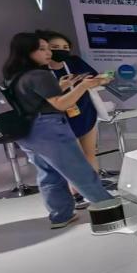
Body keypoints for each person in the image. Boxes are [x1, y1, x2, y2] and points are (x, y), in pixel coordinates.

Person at [2, 33, 112, 228]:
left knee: (49, 174)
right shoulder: (40, 75)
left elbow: (36, 101)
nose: (49, 53)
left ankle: (61, 215)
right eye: (42, 49)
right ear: (27, 51)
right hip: (49, 129)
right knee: (79, 171)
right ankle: (110, 210)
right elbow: (61, 104)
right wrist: (82, 86)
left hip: (28, 133)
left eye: (48, 48)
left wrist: (64, 86)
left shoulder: (15, 77)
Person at [39, 30, 103, 176]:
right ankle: (80, 188)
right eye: (55, 47)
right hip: (60, 119)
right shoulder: (39, 72)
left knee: (90, 155)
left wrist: (101, 79)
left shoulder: (73, 61)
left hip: (84, 112)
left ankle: (95, 186)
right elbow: (42, 98)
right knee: (74, 160)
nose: (61, 51)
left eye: (65, 47)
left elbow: (95, 77)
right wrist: (60, 87)